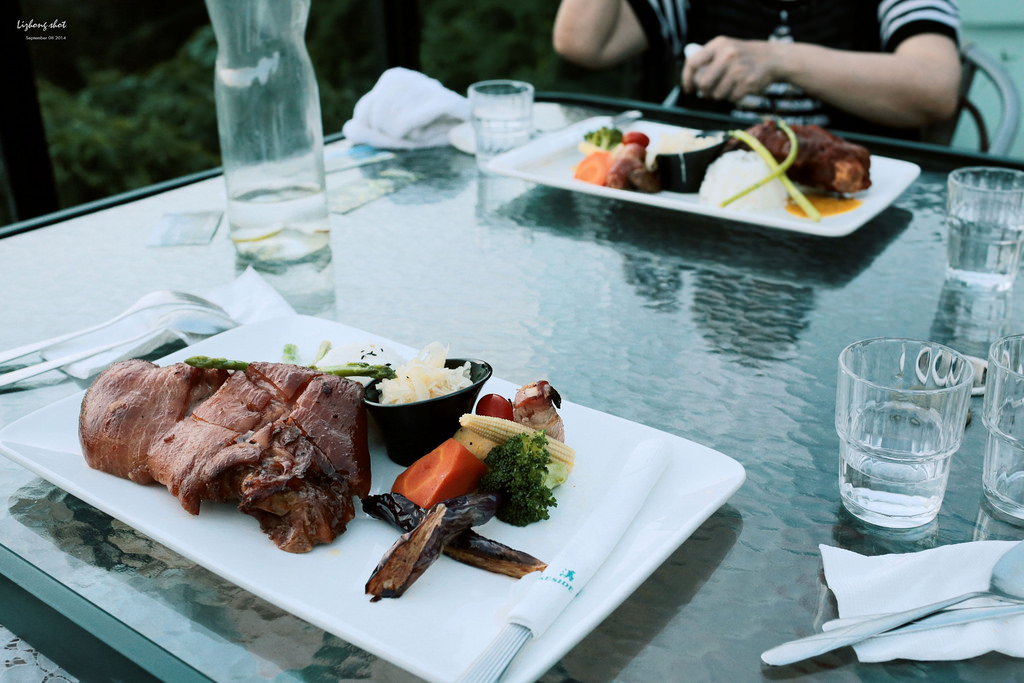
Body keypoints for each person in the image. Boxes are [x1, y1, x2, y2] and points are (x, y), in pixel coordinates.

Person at [553, 0, 962, 139]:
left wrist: (781, 60)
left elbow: (935, 86)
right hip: (710, 209)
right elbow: (583, 42)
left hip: (854, 217)